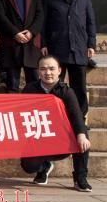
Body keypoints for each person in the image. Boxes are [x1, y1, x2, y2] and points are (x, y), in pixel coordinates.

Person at [20, 55, 92, 192]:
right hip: (39, 136)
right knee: (28, 166)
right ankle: (43, 167)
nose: (48, 73)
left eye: (52, 69)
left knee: (83, 135)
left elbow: (76, 116)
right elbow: (20, 114)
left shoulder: (67, 92)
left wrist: (81, 135)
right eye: (43, 69)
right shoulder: (30, 89)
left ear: (59, 70)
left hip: (62, 138)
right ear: (38, 71)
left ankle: (80, 178)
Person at [41, 0, 97, 116]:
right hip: (56, 46)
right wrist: (43, 44)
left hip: (78, 47)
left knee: (79, 87)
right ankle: (55, 117)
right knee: (54, 85)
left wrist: (91, 44)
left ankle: (80, 119)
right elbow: (42, 23)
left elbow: (90, 21)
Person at [0, 0, 44, 92]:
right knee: (12, 84)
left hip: (31, 42)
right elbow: (0, 15)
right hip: (10, 41)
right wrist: (15, 33)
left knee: (34, 84)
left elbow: (40, 14)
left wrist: (31, 32)